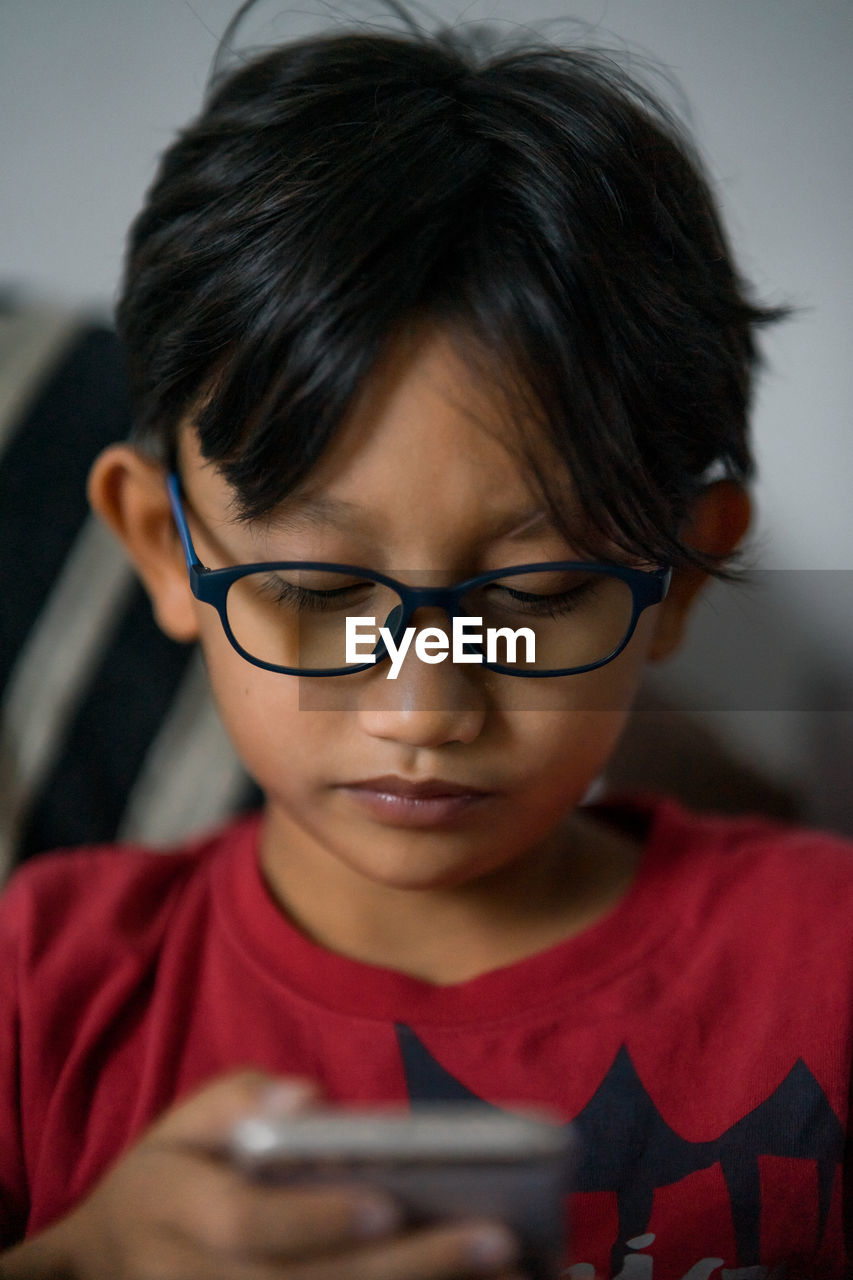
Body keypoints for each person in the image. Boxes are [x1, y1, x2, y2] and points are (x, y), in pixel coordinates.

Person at [1, 8, 850, 1280]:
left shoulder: (825, 965)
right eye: (311, 585)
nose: (423, 704)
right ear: (165, 549)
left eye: (534, 592)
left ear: (674, 577)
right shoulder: (40, 991)